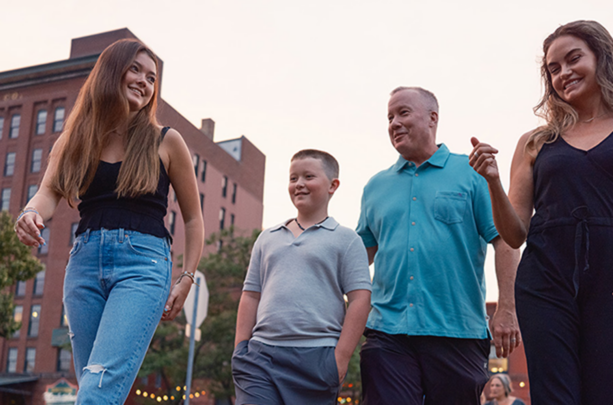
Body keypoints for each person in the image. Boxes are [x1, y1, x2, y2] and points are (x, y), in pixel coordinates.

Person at [13, 39, 204, 404]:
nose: (144, 82)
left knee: (97, 390)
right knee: (94, 388)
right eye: (135, 70)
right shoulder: (75, 139)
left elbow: (194, 219)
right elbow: (49, 192)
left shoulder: (166, 141)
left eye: (152, 78)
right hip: (83, 265)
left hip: (143, 266)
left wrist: (186, 277)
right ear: (110, 72)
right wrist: (29, 212)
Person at [469, 20, 613, 405]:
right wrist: (494, 182)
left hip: (609, 277)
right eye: (553, 68)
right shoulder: (536, 142)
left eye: (573, 59)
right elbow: (514, 233)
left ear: (601, 58)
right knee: (555, 396)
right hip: (546, 281)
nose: (563, 73)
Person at [357, 87, 520, 405]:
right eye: (389, 117)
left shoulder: (472, 173)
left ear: (433, 118)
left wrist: (507, 309)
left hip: (456, 329)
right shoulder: (375, 186)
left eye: (403, 113)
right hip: (387, 330)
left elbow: (506, 242)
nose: (394, 123)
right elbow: (359, 256)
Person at [232, 149, 372, 405]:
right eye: (293, 178)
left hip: (316, 359)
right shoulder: (268, 238)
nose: (299, 184)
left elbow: (360, 299)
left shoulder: (347, 239)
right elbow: (251, 295)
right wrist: (240, 349)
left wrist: (339, 359)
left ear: (333, 185)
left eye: (308, 176)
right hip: (260, 357)